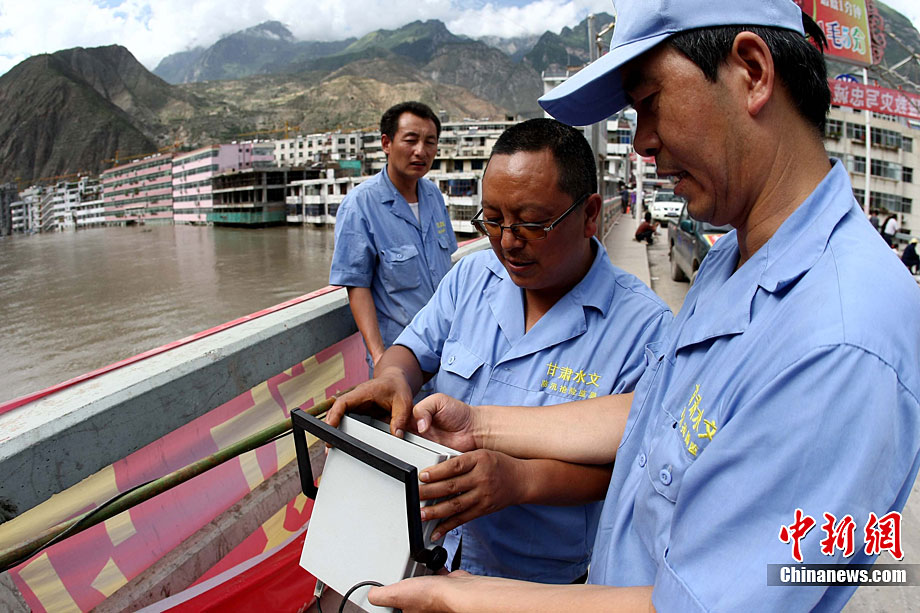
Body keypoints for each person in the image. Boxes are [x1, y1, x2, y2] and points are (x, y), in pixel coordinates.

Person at [364, 0, 920, 611]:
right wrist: (481, 424)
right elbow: (662, 413)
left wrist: (466, 599)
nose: (643, 141)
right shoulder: (735, 260)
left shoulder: (840, 340)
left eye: (650, 102)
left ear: (753, 72)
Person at [327, 118, 671, 584]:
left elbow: (629, 468)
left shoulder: (644, 327)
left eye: (532, 223)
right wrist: (392, 380)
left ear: (590, 214)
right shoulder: (472, 277)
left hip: (534, 580)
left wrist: (520, 481)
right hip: (429, 549)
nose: (508, 242)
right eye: (492, 220)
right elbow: (411, 350)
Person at [329, 101, 458, 374]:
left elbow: (447, 267)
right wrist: (380, 358)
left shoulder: (434, 196)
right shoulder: (360, 205)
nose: (421, 151)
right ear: (386, 143)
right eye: (410, 140)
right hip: (401, 359)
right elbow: (357, 286)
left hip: (448, 349)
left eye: (430, 142)